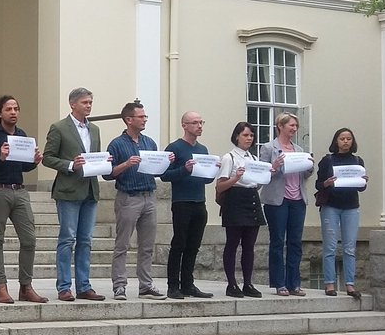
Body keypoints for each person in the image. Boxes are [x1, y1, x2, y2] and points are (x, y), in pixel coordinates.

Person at [0, 96, 47, 304]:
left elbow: (22, 167)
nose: (13, 112)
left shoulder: (22, 135)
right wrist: (0, 158)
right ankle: (1, 287)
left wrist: (33, 162)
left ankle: (26, 286)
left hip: (20, 191)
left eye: (16, 108)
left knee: (29, 239)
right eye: (8, 109)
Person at [41, 87, 105, 301]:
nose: (89, 106)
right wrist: (70, 164)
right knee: (67, 239)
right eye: (85, 102)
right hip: (68, 190)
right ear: (73, 104)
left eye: (90, 102)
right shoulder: (59, 128)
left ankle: (84, 286)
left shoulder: (94, 129)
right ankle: (64, 287)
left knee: (86, 240)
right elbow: (48, 157)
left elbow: (95, 156)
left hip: (90, 189)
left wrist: (103, 163)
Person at [103, 102, 172, 300]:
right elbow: (108, 174)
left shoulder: (149, 142)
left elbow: (157, 170)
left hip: (149, 196)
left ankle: (145, 285)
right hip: (128, 197)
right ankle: (119, 285)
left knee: (147, 245)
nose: (144, 120)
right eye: (141, 117)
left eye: (145, 117)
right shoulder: (116, 144)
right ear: (129, 120)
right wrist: (126, 164)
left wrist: (166, 160)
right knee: (123, 244)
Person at [161, 111, 218, 299]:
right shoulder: (175, 148)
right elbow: (164, 175)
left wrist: (212, 172)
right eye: (195, 123)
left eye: (201, 122)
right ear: (184, 125)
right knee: (179, 244)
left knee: (194, 245)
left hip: (199, 202)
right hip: (182, 201)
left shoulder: (203, 149)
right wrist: (184, 170)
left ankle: (188, 284)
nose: (199, 126)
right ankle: (173, 286)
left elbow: (206, 180)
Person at [258, 113, 314, 296]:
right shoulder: (268, 148)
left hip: (297, 199)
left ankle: (294, 283)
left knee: (295, 242)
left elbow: (303, 176)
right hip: (277, 200)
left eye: (296, 126)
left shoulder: (298, 149)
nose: (294, 129)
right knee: (277, 241)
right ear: (280, 126)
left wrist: (309, 167)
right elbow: (262, 175)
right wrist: (273, 166)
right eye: (291, 125)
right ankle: (279, 283)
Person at [215, 122, 267, 299]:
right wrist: (236, 177)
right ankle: (231, 283)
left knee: (249, 246)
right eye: (245, 135)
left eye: (251, 135)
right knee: (232, 243)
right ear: (237, 136)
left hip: (251, 198)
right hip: (235, 199)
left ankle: (248, 283)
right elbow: (220, 186)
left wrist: (266, 175)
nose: (249, 138)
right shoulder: (229, 157)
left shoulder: (253, 158)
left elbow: (255, 183)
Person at [315, 128, 366, 299]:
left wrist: (364, 181)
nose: (345, 141)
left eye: (348, 138)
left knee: (349, 248)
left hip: (351, 206)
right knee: (330, 246)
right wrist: (327, 183)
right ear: (336, 141)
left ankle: (350, 285)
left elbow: (361, 187)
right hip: (331, 206)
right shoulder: (328, 160)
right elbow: (318, 184)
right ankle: (329, 284)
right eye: (342, 138)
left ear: (352, 141)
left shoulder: (357, 160)